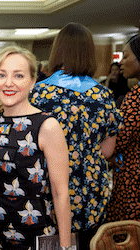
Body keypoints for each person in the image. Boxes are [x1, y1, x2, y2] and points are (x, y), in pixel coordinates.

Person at [30, 22, 123, 250]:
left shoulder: (39, 93)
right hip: (90, 190)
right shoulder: (103, 95)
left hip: (48, 188)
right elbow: (108, 150)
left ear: (57, 51)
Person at [0, 46, 71, 250]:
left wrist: (66, 247)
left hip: (36, 234)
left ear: (32, 82)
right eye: (1, 75)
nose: (8, 83)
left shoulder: (47, 125)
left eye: (19, 75)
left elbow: (61, 193)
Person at [106, 35, 140, 223]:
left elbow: (119, 139)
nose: (121, 63)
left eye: (126, 57)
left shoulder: (136, 98)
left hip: (132, 180)